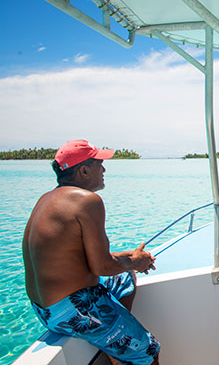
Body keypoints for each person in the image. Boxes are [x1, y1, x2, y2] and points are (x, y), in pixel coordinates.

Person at [23, 139, 160, 365]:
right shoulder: (88, 201)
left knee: (123, 278)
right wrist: (136, 262)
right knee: (147, 350)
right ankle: (124, 346)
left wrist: (132, 260)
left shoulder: (47, 199)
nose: (104, 169)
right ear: (84, 170)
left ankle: (115, 344)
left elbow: (81, 257)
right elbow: (101, 267)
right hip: (74, 310)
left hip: (45, 311)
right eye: (99, 164)